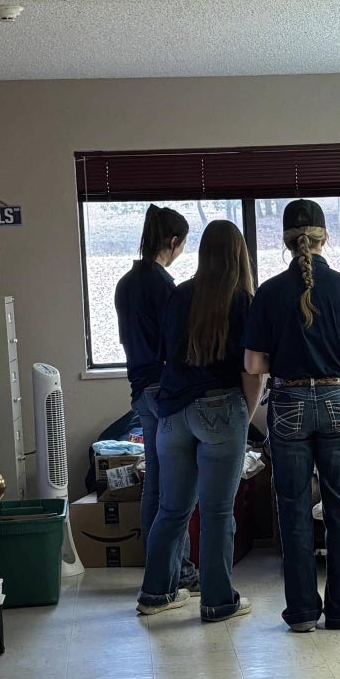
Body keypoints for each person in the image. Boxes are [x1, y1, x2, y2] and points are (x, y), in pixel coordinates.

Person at [244, 199, 340, 632]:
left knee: (293, 507)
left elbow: (253, 364)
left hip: (288, 403)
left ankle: (303, 612)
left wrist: (289, 359)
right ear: (326, 238)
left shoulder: (269, 292)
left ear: (286, 242)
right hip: (339, 399)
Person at [136, 220, 263, 620]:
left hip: (172, 412)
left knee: (172, 509)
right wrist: (244, 417)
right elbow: (252, 371)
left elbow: (166, 357)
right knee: (217, 512)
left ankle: (155, 594)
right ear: (239, 255)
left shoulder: (178, 295)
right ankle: (218, 601)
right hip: (221, 408)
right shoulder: (243, 301)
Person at [114, 204, 198, 593]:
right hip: (164, 390)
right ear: (174, 241)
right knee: (176, 488)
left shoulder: (126, 283)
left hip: (139, 388)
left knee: (155, 483)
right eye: (183, 244)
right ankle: (179, 572)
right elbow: (178, 343)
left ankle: (157, 566)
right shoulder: (164, 286)